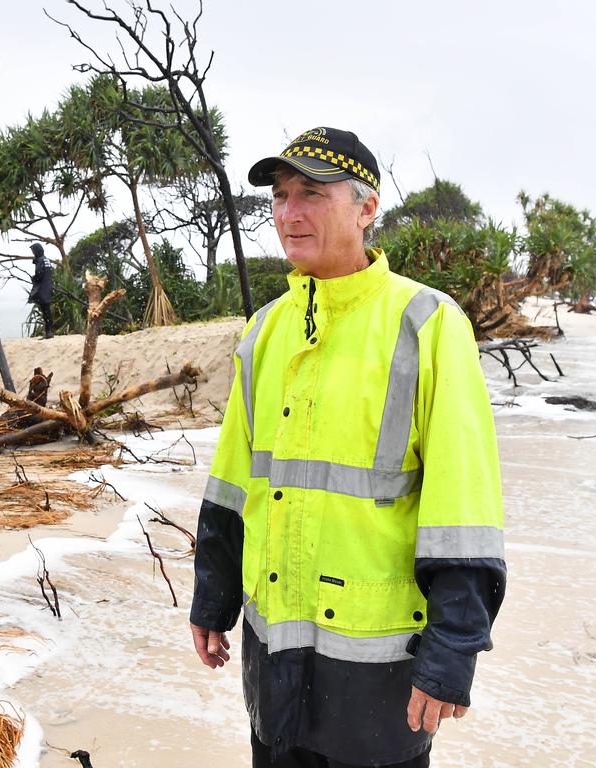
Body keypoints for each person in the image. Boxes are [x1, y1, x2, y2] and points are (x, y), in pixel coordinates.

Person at [189, 127, 506, 768]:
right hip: (273, 656)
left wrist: (452, 650)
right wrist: (213, 599)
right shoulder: (264, 331)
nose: (289, 213)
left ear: (366, 208)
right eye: (280, 195)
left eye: (311, 192)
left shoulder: (427, 323)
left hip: (379, 670)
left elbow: (462, 503)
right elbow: (231, 484)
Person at [28, 242, 55, 339]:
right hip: (48, 287)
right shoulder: (46, 260)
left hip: (42, 289)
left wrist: (33, 278)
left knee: (45, 311)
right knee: (47, 310)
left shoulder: (40, 261)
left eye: (33, 251)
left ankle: (48, 332)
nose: (33, 253)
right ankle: (50, 331)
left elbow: (39, 275)